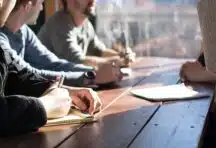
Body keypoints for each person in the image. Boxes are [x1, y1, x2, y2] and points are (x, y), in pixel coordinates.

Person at [0, 0, 101, 136]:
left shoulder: (22, 32)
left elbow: (19, 74)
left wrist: (61, 90)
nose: (42, 8)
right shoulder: (59, 23)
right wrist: (46, 105)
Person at [0, 0, 123, 87]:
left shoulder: (23, 31)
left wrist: (93, 71)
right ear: (28, 4)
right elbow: (30, 74)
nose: (42, 8)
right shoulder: (2, 40)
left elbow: (53, 63)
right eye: (41, 3)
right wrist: (90, 76)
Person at [38, 0, 136, 68]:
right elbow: (78, 62)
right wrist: (118, 61)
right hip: (44, 89)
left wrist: (122, 55)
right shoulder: (59, 23)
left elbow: (100, 51)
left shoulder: (86, 24)